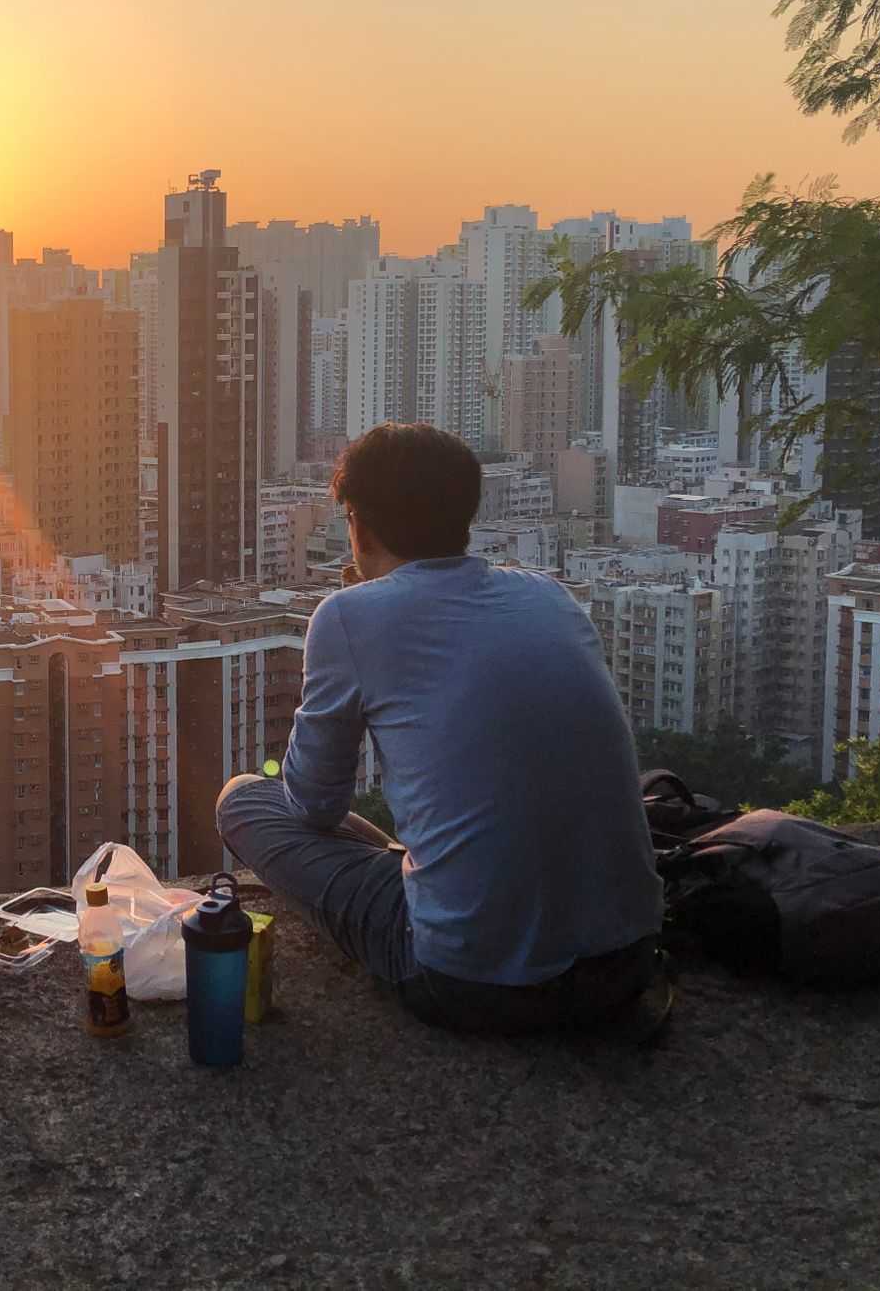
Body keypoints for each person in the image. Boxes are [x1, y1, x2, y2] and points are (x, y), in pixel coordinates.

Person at [216, 422, 664, 1033]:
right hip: (628, 963)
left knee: (244, 799)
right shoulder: (549, 595)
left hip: (473, 982)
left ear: (359, 525)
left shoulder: (348, 615)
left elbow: (315, 806)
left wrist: (357, 614)